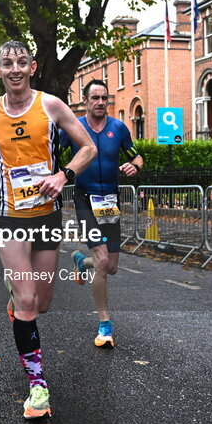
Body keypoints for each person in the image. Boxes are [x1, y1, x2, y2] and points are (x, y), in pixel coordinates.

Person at [0, 40, 96, 420]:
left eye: (22, 62)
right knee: (26, 300)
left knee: (42, 303)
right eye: (8, 63)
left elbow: (87, 149)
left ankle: (18, 303)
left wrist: (63, 175)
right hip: (8, 216)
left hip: (47, 215)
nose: (15, 69)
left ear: (33, 67)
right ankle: (38, 387)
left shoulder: (51, 105)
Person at [59, 80, 143, 349]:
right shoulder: (74, 128)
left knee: (111, 266)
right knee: (103, 259)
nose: (100, 102)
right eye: (94, 97)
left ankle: (81, 261)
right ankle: (105, 324)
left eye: (104, 98)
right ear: (85, 100)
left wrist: (134, 166)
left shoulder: (118, 128)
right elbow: (51, 153)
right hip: (85, 199)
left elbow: (137, 156)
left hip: (110, 202)